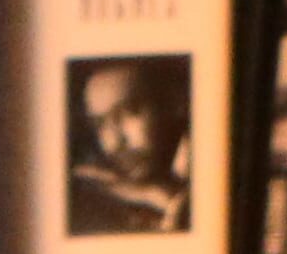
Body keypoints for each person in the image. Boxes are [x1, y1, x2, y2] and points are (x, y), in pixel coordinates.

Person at [67, 55, 193, 235]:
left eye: (128, 112)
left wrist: (172, 202)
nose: (113, 143)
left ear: (176, 102)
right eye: (99, 124)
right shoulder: (96, 189)